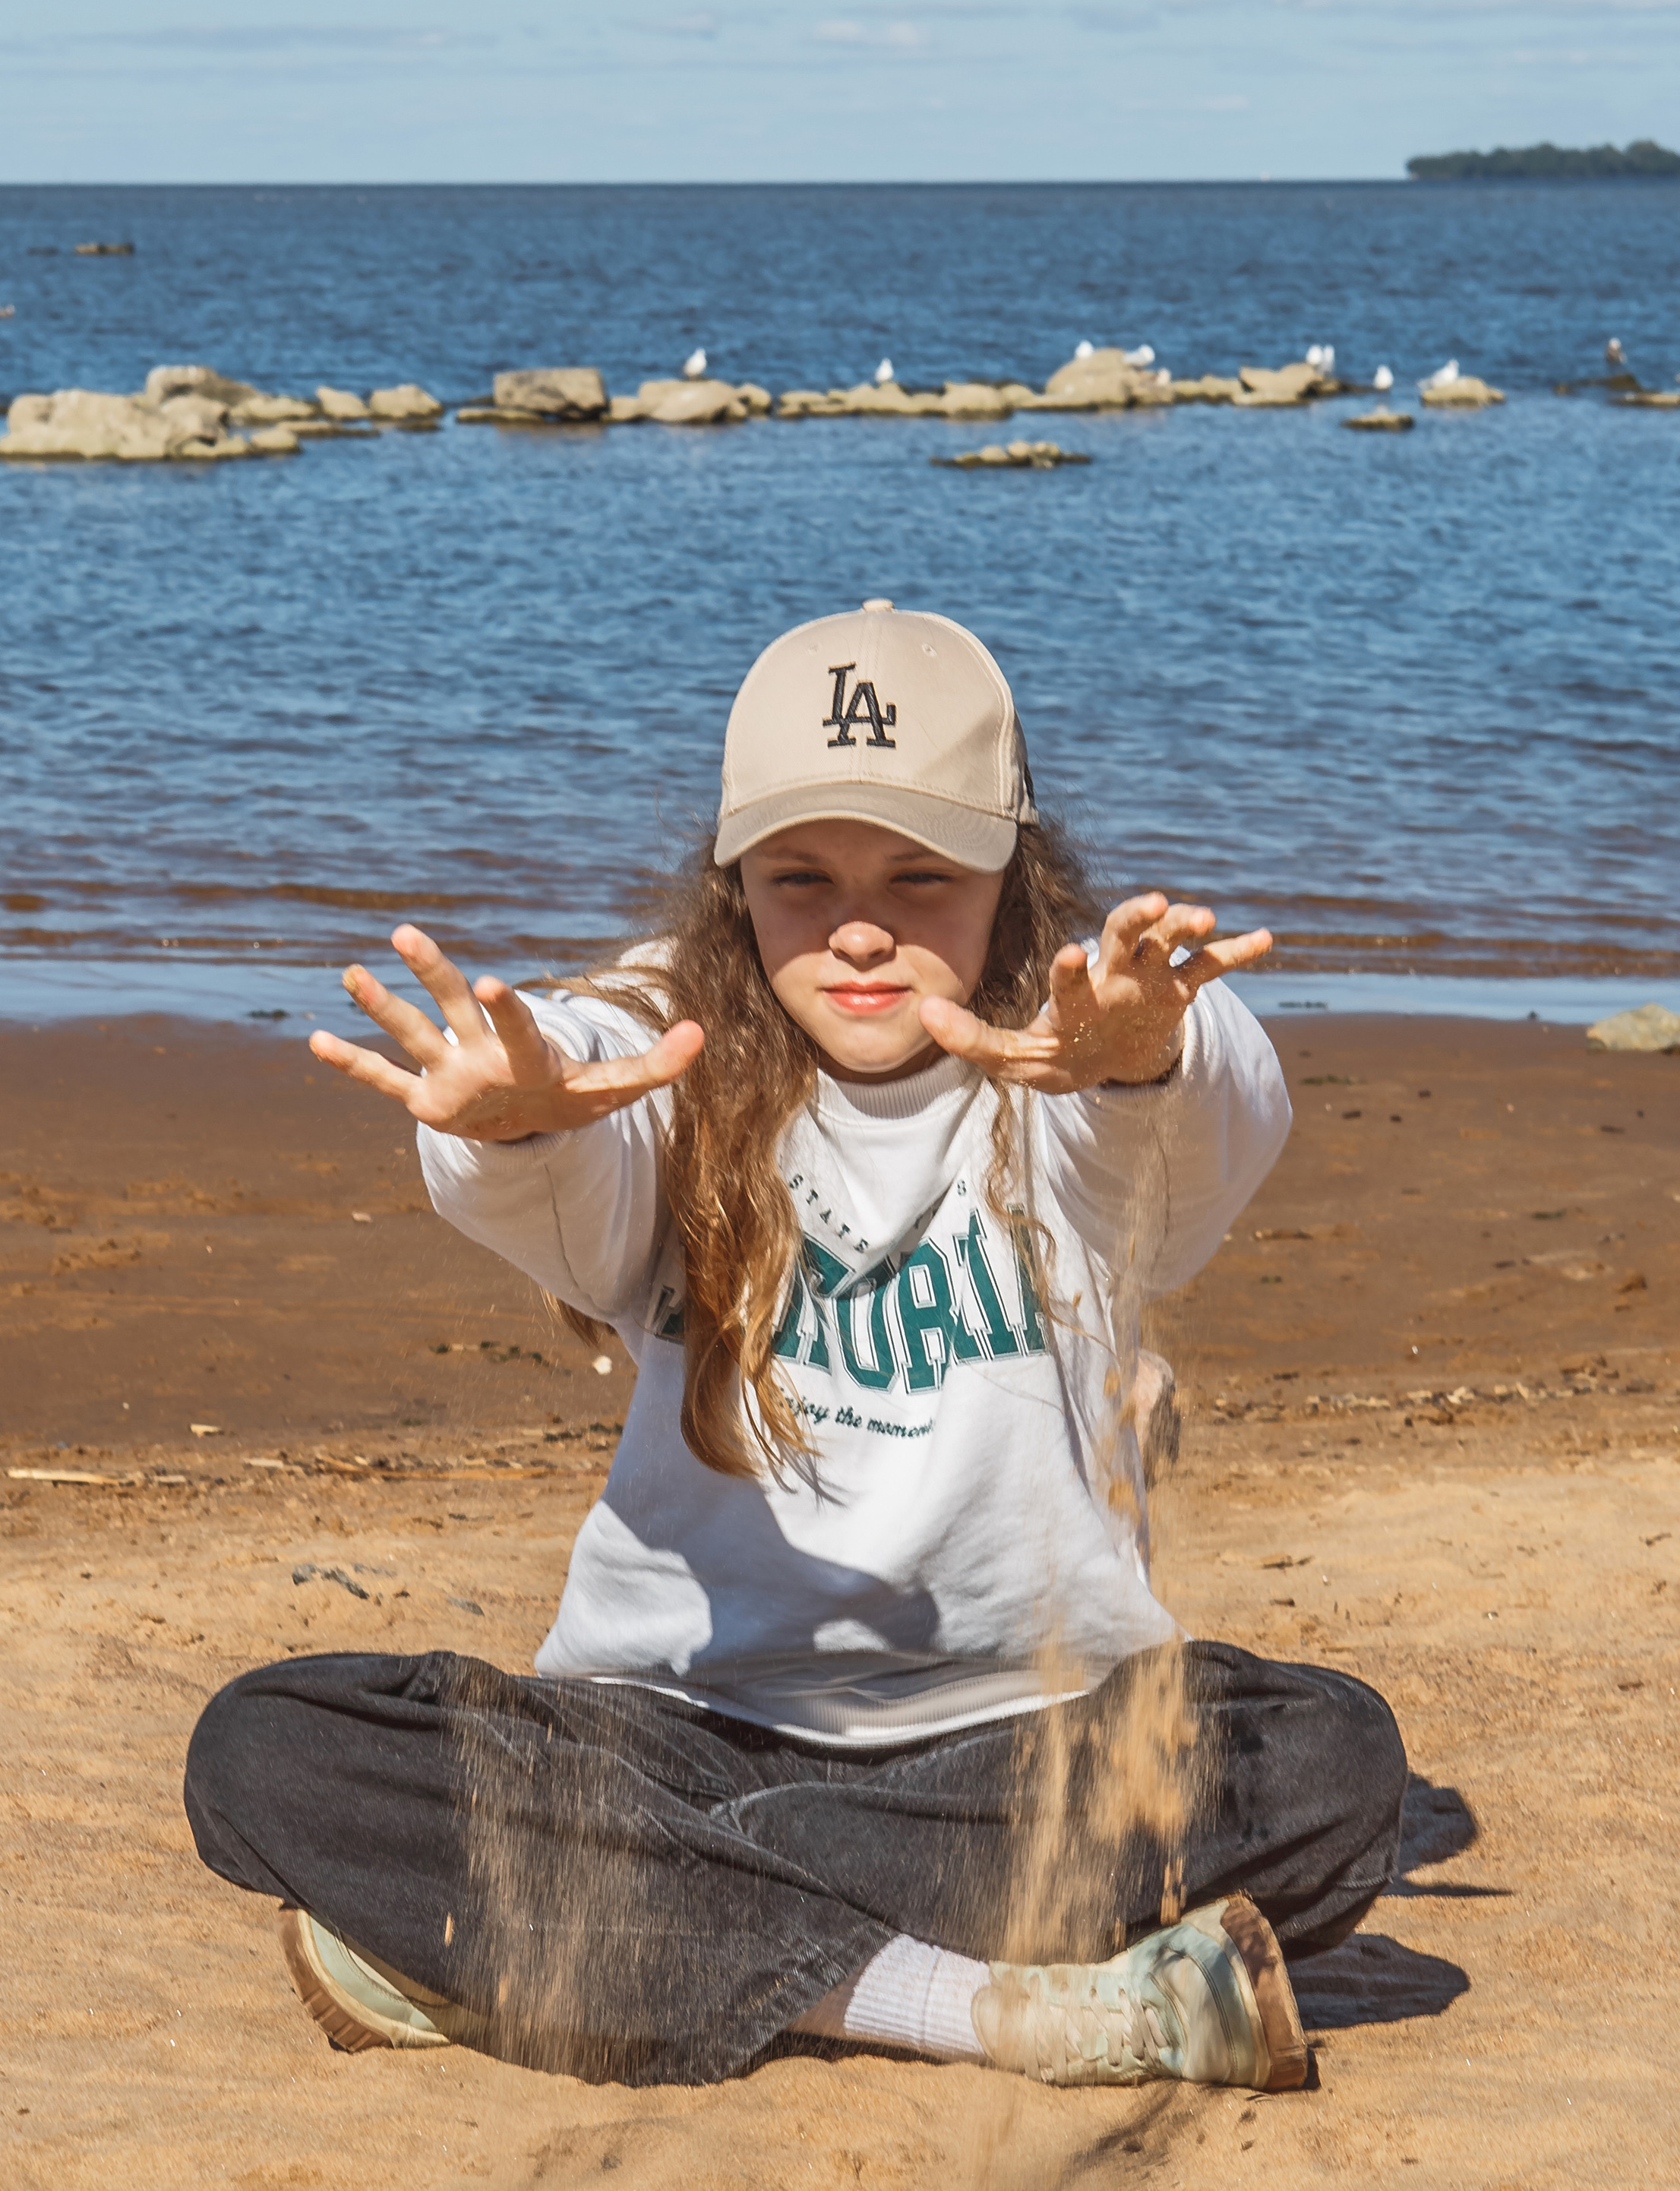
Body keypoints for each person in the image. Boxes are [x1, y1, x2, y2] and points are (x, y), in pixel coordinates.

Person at [185, 602, 1406, 2092]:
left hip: (1016, 1747)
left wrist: (1148, 1049)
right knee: (262, 1749)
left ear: (1013, 875)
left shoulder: (1070, 1057)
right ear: (731, 881)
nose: (862, 926)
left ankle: (567, 1930)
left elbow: (1201, 1112)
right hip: (654, 1735)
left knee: (1331, 1763)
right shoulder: (664, 1040)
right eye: (800, 877)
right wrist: (512, 1117)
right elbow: (573, 1095)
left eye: (922, 876)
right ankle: (987, 2004)